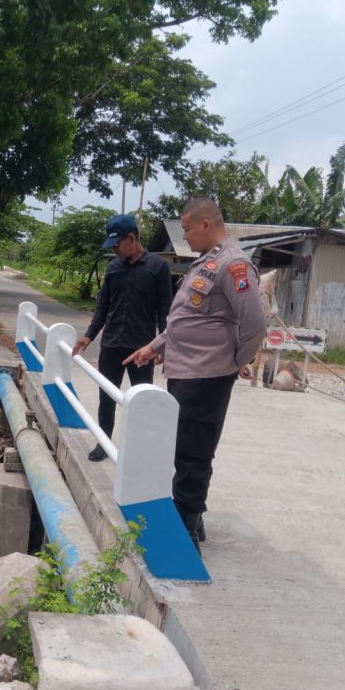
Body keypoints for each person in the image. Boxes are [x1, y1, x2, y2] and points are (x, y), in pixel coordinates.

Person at [124, 198, 267, 552]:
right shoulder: (208, 261)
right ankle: (191, 515)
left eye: (187, 229)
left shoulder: (233, 265)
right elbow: (188, 316)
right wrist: (156, 346)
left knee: (193, 451)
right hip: (185, 370)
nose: (184, 236)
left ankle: (185, 532)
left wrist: (233, 361)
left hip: (207, 374)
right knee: (181, 445)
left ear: (206, 224)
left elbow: (255, 325)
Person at [72, 213, 173, 462]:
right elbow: (103, 306)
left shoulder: (158, 268)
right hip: (111, 345)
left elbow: (165, 310)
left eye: (117, 244)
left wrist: (162, 347)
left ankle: (138, 451)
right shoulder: (113, 268)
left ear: (132, 237)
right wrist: (89, 336)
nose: (115, 249)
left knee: (141, 401)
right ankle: (103, 444)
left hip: (142, 349)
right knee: (106, 397)